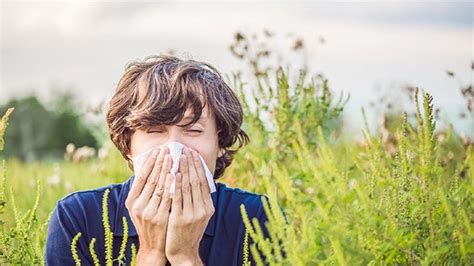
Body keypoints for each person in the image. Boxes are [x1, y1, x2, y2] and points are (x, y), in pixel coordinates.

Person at [45, 54, 286, 265]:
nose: (174, 149)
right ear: (128, 144)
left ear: (220, 144)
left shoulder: (258, 218)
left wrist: (186, 257)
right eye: (154, 130)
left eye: (193, 130)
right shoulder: (78, 218)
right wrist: (150, 254)